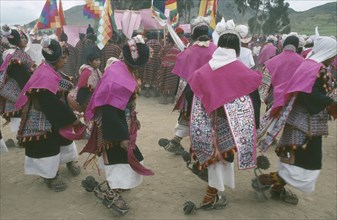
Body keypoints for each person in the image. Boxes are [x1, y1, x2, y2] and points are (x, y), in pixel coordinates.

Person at [187, 25, 262, 210]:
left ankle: (210, 188)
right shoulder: (243, 72)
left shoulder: (203, 71)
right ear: (237, 49)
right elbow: (255, 100)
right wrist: (254, 126)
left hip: (206, 123)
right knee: (221, 160)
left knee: (214, 160)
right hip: (229, 127)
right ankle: (210, 197)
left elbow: (191, 94)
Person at [256, 36, 337, 204]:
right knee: (300, 163)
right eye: (333, 55)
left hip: (301, 123)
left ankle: (275, 188)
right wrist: (330, 104)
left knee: (296, 162)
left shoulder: (309, 64)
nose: (334, 59)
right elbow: (308, 94)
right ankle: (265, 181)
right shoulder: (316, 68)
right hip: (305, 125)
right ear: (328, 52)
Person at [80, 35, 153, 215]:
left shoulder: (121, 68)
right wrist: (121, 138)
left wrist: (133, 119)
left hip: (118, 123)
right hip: (112, 127)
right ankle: (112, 193)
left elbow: (123, 105)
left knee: (124, 160)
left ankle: (115, 187)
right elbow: (111, 110)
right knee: (121, 161)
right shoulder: (117, 78)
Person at [15, 35, 83, 192]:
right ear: (56, 58)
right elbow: (50, 104)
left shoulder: (51, 69)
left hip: (56, 113)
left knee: (65, 139)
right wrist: (73, 119)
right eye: (63, 58)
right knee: (47, 144)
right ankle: (50, 176)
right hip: (43, 115)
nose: (65, 61)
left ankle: (69, 161)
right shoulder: (44, 74)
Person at [159, 16, 217, 155]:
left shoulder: (189, 51)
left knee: (186, 117)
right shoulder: (216, 50)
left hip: (191, 91)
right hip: (211, 92)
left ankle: (176, 141)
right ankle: (204, 148)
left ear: (193, 34)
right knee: (209, 120)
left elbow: (182, 73)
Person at [0, 25, 36, 139]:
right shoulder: (15, 56)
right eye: (22, 38)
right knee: (25, 111)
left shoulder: (11, 53)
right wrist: (30, 88)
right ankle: (21, 135)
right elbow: (22, 75)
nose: (24, 40)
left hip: (16, 87)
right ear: (16, 40)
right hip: (20, 88)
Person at [260, 35, 305, 110]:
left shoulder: (271, 62)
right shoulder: (303, 62)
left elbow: (264, 86)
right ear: (297, 47)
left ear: (284, 45)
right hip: (295, 101)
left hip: (275, 99)